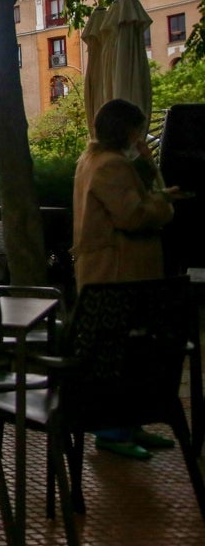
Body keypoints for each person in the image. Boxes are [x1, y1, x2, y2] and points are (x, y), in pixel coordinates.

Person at [73, 98, 184, 460]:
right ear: (129, 129)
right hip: (119, 273)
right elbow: (132, 216)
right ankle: (113, 430)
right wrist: (163, 205)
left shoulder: (91, 161)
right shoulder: (111, 165)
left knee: (126, 350)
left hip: (111, 271)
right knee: (118, 351)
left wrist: (148, 181)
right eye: (138, 128)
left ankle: (128, 424)